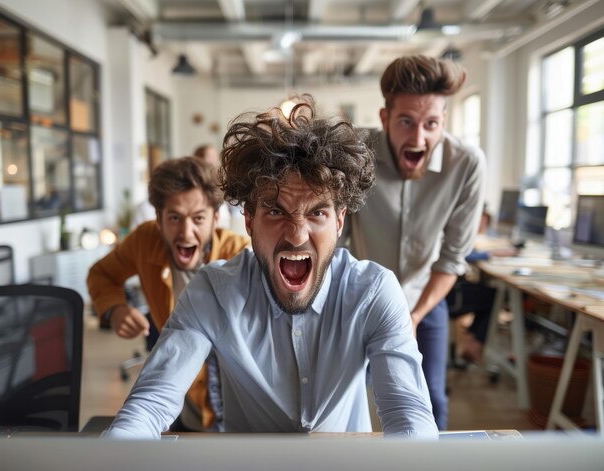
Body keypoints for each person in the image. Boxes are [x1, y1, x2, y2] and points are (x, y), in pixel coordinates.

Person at [101, 98, 438, 439]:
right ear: (248, 220)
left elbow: (408, 414)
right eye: (276, 212)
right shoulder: (213, 292)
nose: (296, 235)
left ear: (339, 221)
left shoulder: (374, 291)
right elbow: (151, 403)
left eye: (317, 213)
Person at [347, 55, 486, 430]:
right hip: (359, 297)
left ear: (444, 121)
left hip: (425, 297)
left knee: (431, 399)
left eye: (432, 124)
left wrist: (415, 315)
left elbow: (453, 257)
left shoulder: (467, 164)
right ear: (384, 118)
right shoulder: (355, 152)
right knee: (352, 395)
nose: (419, 137)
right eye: (406, 121)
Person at [87, 156, 251, 431]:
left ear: (215, 218)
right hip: (176, 389)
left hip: (231, 387)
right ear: (159, 219)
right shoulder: (144, 240)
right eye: (174, 218)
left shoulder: (240, 254)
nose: (186, 233)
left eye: (198, 218)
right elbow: (101, 274)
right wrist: (115, 309)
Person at [448, 205, 519, 364]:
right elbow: (461, 254)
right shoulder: (451, 224)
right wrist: (491, 253)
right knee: (494, 297)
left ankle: (473, 341)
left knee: (488, 294)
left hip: (449, 289)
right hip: (449, 294)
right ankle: (475, 343)